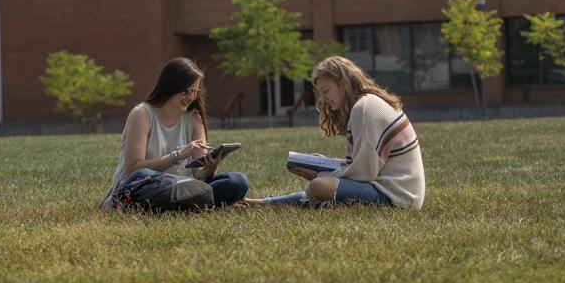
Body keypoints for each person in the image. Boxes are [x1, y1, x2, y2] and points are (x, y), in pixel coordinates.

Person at [252, 55, 425, 209]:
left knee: (319, 186)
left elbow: (362, 173)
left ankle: (270, 203)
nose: (324, 99)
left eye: (326, 91)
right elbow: (363, 164)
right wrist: (327, 163)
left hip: (397, 197)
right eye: (321, 93)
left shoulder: (364, 109)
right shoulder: (366, 104)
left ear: (343, 84)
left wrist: (319, 173)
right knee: (321, 185)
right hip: (391, 189)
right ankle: (262, 203)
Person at [101, 57, 249, 210]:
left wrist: (210, 167)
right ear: (171, 86)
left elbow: (198, 173)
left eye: (195, 92)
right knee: (147, 175)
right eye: (187, 91)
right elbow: (133, 169)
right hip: (143, 188)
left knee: (237, 181)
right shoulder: (142, 114)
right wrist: (177, 156)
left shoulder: (194, 118)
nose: (190, 97)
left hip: (186, 189)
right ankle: (214, 206)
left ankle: (198, 205)